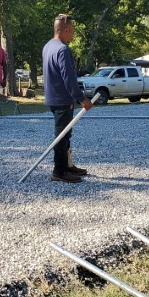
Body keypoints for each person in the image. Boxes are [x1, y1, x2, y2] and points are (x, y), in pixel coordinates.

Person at [42, 14, 93, 183]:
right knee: (62, 136)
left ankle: (68, 165)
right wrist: (81, 98)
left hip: (53, 97)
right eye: (72, 31)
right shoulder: (62, 50)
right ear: (65, 30)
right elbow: (68, 77)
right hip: (62, 99)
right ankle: (59, 171)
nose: (73, 35)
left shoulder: (48, 46)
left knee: (66, 134)